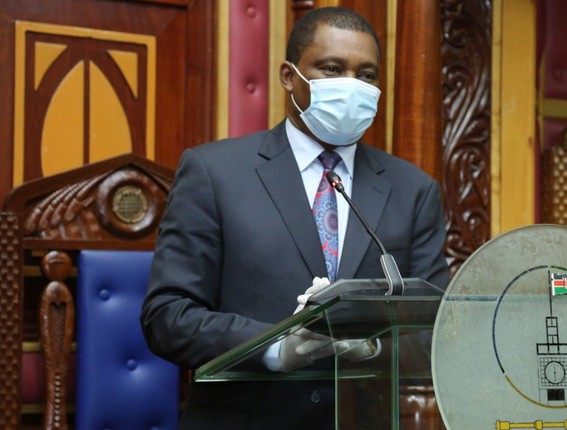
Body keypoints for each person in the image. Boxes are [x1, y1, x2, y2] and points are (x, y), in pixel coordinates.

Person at [140, 6, 450, 429]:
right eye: (332, 68)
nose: (352, 86)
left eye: (367, 75)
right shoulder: (214, 173)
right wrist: (274, 346)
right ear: (289, 77)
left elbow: (436, 330)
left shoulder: (414, 190)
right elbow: (168, 316)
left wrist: (372, 349)